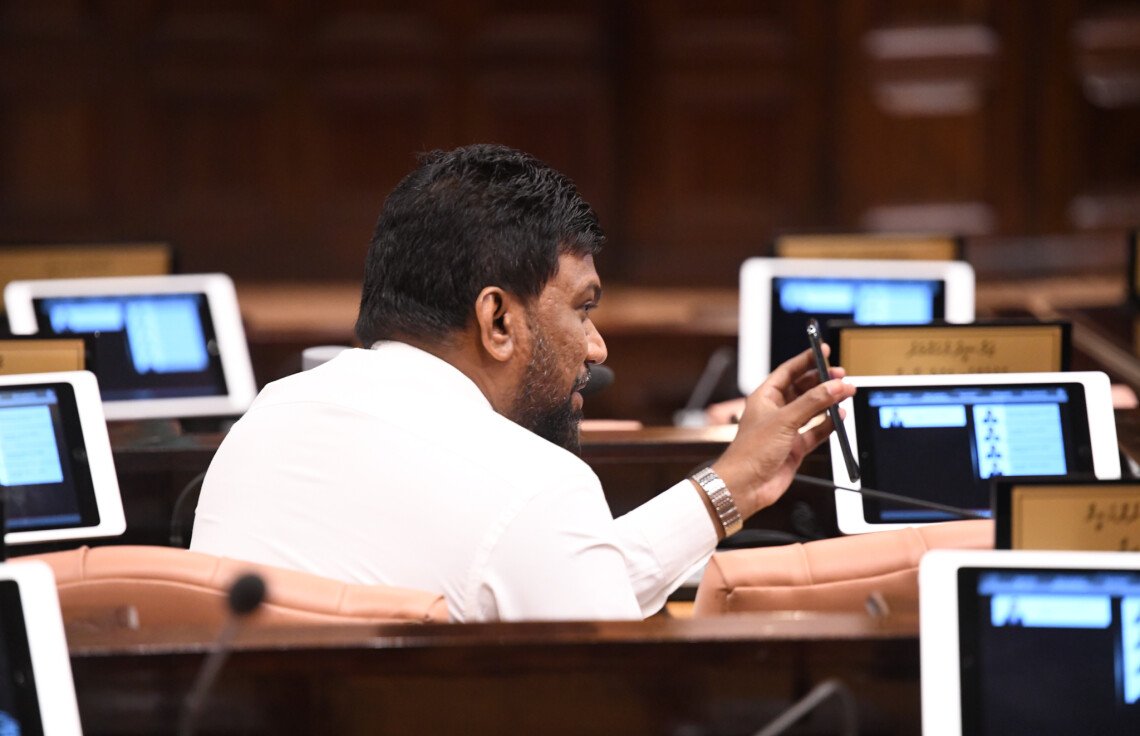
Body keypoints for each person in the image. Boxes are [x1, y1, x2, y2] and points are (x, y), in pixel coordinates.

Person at [190, 144, 855, 622]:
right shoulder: (534, 487)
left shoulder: (262, 426)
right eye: (583, 308)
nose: (596, 346)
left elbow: (549, 572)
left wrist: (731, 485)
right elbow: (611, 687)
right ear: (499, 320)